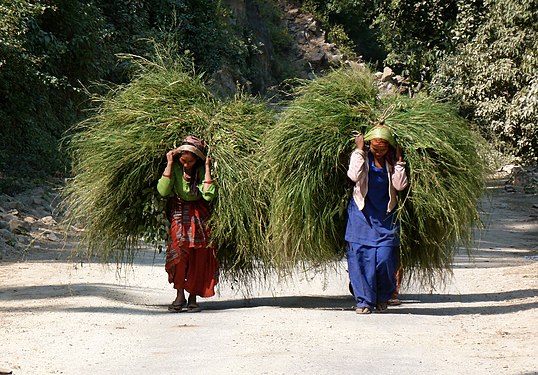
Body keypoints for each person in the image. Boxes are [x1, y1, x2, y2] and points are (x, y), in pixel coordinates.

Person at [345, 124, 408, 314]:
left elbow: (400, 186)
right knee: (360, 258)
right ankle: (364, 302)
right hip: (361, 215)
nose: (379, 153)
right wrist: (358, 150)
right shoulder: (363, 159)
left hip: (386, 217)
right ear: (368, 145)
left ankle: (382, 296)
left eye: (383, 149)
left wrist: (399, 161)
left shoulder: (391, 162)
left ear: (389, 147)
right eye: (375, 149)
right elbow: (353, 175)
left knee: (385, 258)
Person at [157, 135, 218, 313]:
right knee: (179, 255)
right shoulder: (175, 168)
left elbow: (207, 195)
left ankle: (193, 297)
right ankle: (179, 295)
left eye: (189, 162)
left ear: (197, 160)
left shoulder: (200, 171)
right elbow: (163, 190)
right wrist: (169, 163)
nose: (185, 165)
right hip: (179, 214)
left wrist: (207, 168)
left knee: (198, 256)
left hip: (200, 217)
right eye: (183, 161)